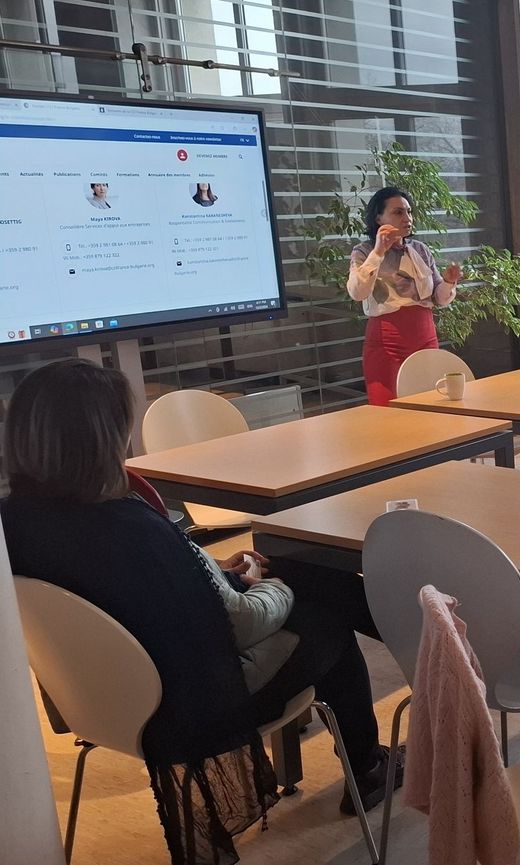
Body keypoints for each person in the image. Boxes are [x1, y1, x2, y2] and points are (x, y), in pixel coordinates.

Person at [1, 360, 399, 864]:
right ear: (103, 439)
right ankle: (372, 755)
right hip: (194, 704)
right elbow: (242, 623)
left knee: (313, 578)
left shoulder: (14, 523)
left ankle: (407, 649)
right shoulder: (134, 529)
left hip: (102, 699)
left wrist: (210, 572)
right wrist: (270, 585)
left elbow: (144, 593)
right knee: (324, 605)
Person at [348, 187, 461, 405]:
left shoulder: (420, 249)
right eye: (398, 212)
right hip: (386, 342)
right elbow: (357, 292)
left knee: (431, 405)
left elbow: (438, 299)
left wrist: (448, 281)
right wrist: (378, 252)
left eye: (409, 212)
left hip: (425, 337)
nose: (407, 218)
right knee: (388, 410)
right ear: (379, 218)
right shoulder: (364, 251)